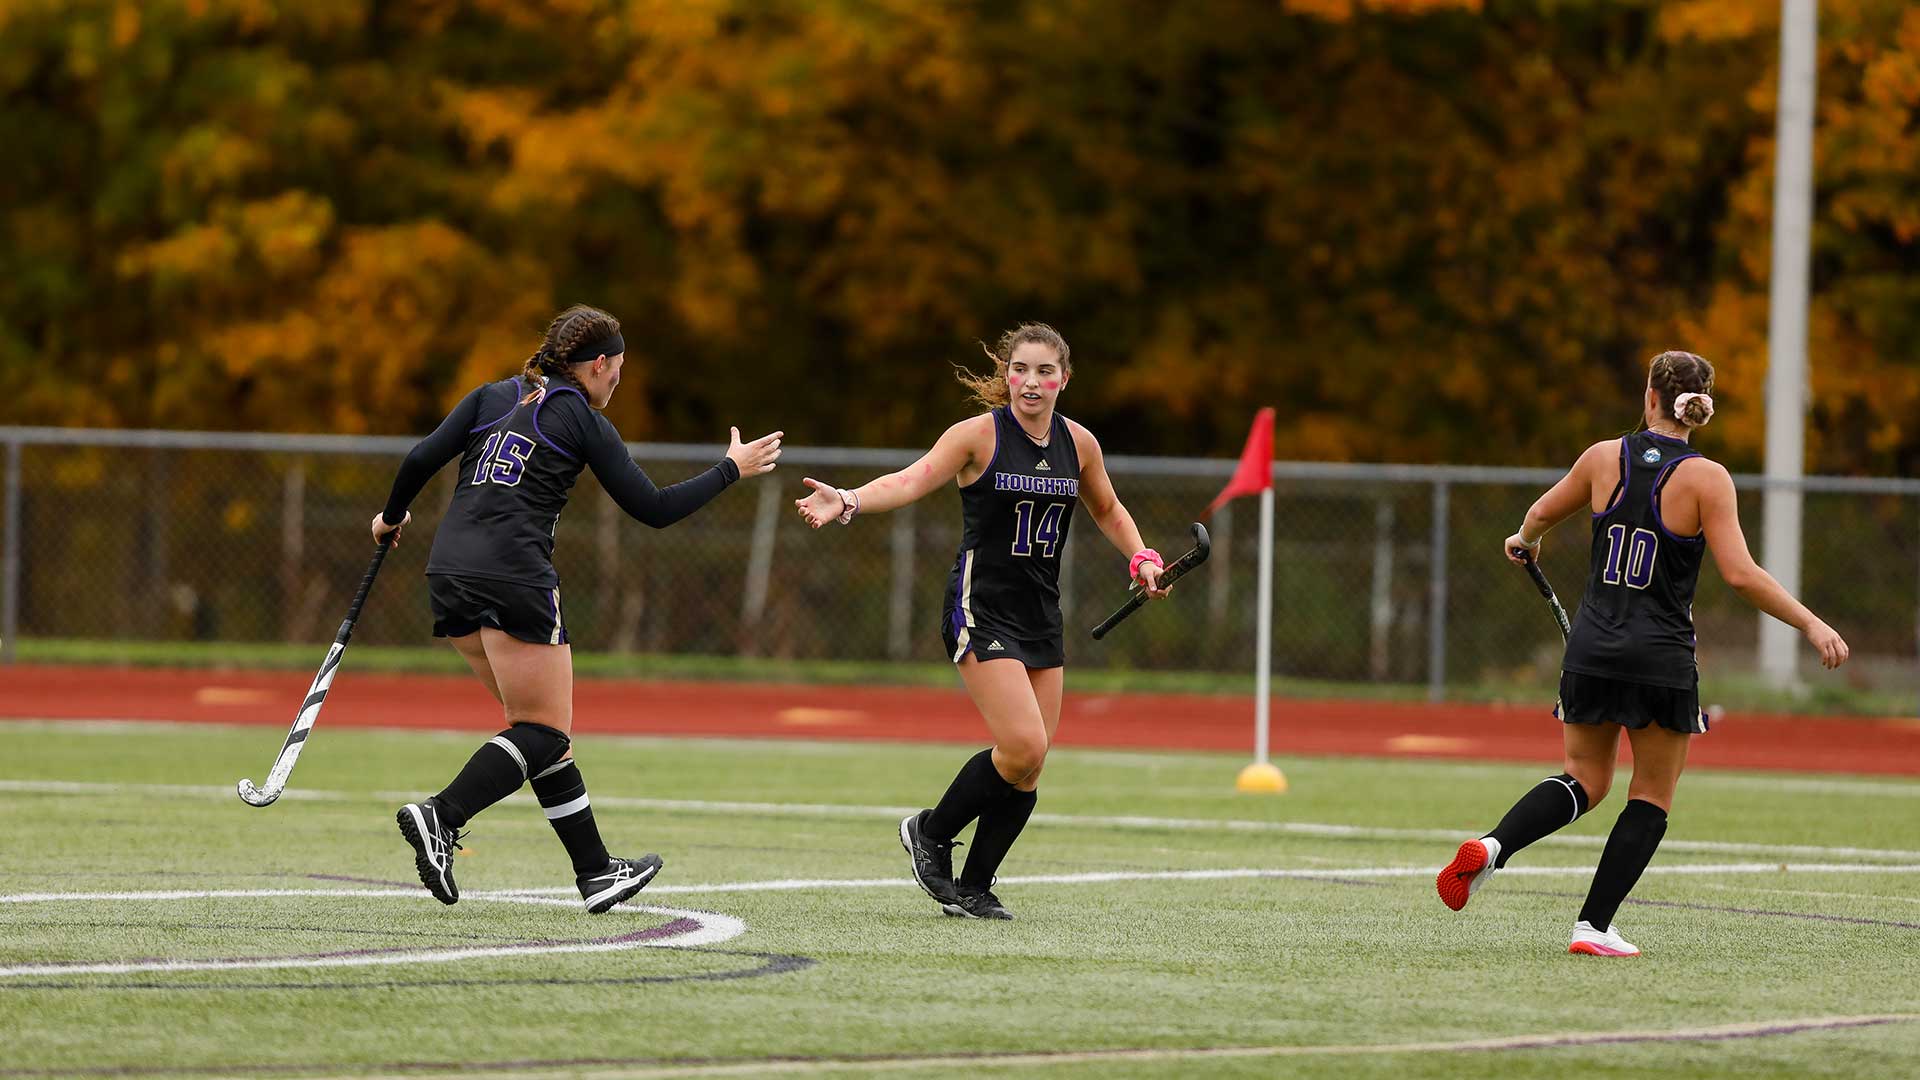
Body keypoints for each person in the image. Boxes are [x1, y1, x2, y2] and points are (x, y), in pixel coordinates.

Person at [1435, 350, 1849, 955]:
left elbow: (1540, 516)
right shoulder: (1708, 478)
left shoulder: (1603, 457)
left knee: (1584, 778)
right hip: (1661, 657)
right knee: (1650, 794)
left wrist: (1525, 541)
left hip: (1592, 648)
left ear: (1650, 397)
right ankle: (1592, 927)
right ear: (1699, 409)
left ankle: (1494, 847)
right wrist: (1811, 624)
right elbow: (1740, 574)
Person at [374, 304, 782, 913]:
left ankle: (596, 871)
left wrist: (391, 516)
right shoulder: (581, 416)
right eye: (618, 369)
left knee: (542, 737)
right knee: (544, 729)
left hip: (449, 573)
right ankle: (442, 814)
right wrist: (731, 470)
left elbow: (418, 459)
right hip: (513, 577)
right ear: (597, 365)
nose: (619, 381)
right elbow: (654, 508)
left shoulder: (493, 394)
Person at [794, 323, 1169, 920]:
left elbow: (1107, 507)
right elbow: (909, 480)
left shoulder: (1081, 444)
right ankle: (930, 832)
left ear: (1064, 379)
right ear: (1007, 374)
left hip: (1040, 612)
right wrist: (850, 500)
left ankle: (972, 886)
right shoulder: (977, 437)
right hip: (980, 606)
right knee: (1021, 743)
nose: (1032, 381)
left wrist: (1142, 556)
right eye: (1021, 369)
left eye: (1046, 371)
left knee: (1030, 762)